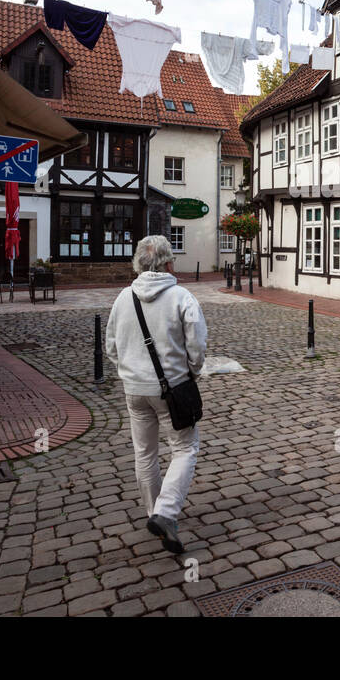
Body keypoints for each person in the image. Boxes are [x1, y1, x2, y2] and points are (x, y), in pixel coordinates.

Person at [104, 235, 207, 554]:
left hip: (134, 390)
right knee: (185, 447)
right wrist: (190, 371)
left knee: (144, 452)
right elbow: (197, 346)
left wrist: (129, 372)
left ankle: (154, 514)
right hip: (172, 388)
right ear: (168, 262)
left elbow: (110, 346)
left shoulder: (123, 297)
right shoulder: (181, 297)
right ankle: (165, 513)